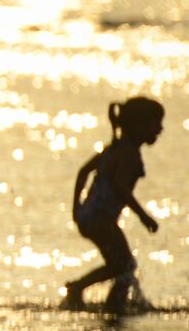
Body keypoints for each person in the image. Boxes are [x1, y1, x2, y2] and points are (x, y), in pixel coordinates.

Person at [63, 97, 165, 313]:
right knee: (125, 267)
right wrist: (143, 216)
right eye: (155, 124)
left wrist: (76, 210)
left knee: (121, 266)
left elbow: (83, 172)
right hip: (101, 220)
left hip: (89, 217)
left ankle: (112, 305)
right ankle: (84, 291)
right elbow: (120, 186)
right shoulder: (129, 153)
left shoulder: (114, 148)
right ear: (138, 126)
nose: (160, 129)